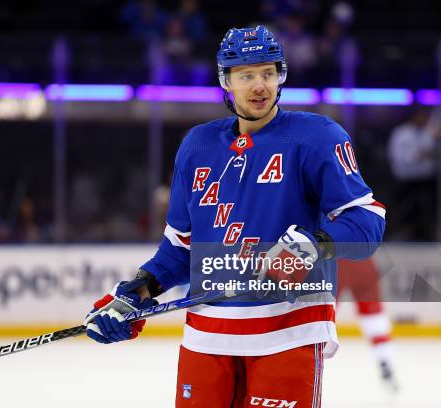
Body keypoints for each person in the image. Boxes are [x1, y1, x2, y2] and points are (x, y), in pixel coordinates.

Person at [84, 25, 385, 406]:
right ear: (226, 81)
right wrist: (135, 292)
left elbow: (367, 221)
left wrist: (315, 244)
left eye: (268, 73)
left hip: (288, 333)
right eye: (246, 75)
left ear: (281, 76)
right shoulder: (197, 146)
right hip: (206, 338)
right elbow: (179, 250)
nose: (259, 85)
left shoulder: (317, 137)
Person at [337, 258, 399, 393]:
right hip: (364, 261)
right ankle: (385, 359)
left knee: (321, 313)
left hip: (334, 262)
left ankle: (306, 361)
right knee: (373, 315)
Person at [387, 107, 440, 240]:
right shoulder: (401, 133)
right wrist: (419, 155)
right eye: (421, 116)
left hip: (426, 180)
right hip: (406, 180)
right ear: (414, 117)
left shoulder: (428, 132)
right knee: (406, 210)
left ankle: (426, 233)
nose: (424, 120)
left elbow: (433, 154)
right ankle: (404, 232)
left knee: (427, 210)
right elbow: (400, 158)